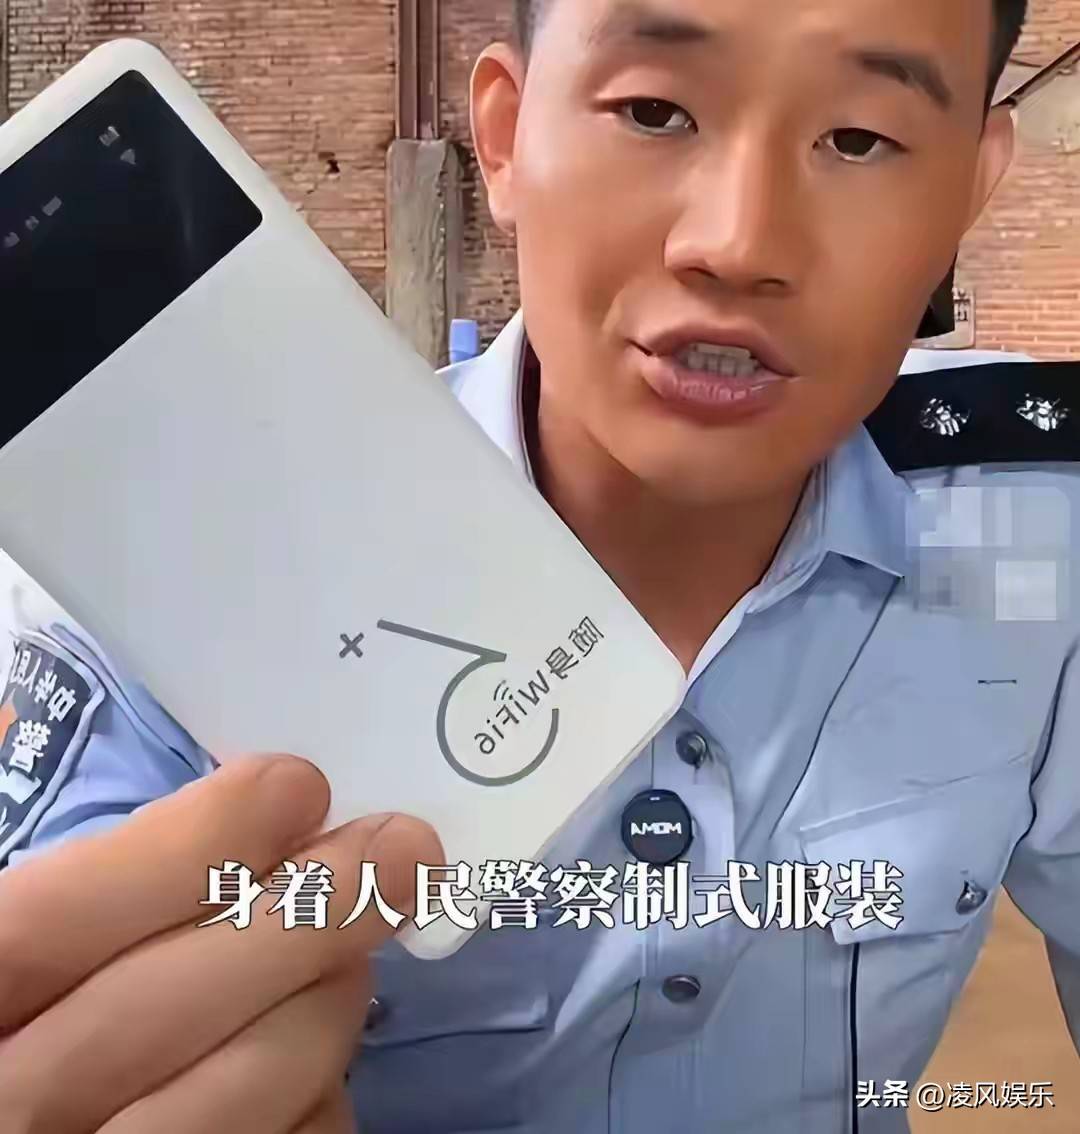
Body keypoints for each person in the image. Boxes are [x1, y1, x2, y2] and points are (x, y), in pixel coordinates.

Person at [0, 0, 1076, 1131]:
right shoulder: (144, 622)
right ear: (505, 139)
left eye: (858, 138)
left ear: (971, 187)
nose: (739, 243)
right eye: (653, 111)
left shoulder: (1031, 523)